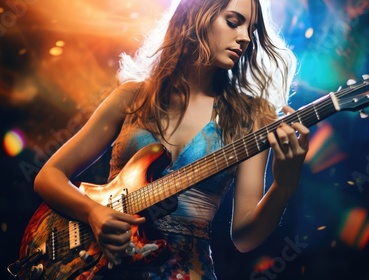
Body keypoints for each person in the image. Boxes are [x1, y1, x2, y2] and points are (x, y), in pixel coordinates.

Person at [34, 0, 310, 279]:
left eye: (251, 29)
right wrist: (93, 213)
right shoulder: (132, 97)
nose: (245, 38)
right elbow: (48, 176)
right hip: (104, 268)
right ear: (196, 14)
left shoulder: (254, 118)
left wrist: (284, 186)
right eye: (233, 22)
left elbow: (244, 238)